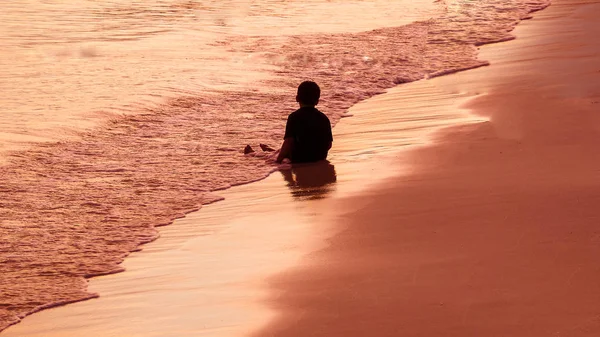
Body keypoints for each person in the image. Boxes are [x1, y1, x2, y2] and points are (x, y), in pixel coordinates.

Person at [276, 81, 333, 163]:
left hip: (299, 159)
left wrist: (278, 160)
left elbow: (288, 141)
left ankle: (260, 154)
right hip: (319, 158)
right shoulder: (324, 118)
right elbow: (329, 144)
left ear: (297, 98)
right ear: (317, 101)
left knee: (280, 155)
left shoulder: (294, 117)